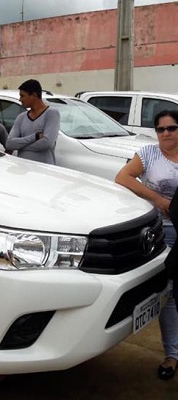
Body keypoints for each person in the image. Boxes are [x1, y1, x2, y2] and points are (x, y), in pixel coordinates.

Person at [116, 109, 178, 380]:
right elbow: (123, 177)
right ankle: (172, 354)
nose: (166, 133)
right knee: (169, 294)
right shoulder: (149, 153)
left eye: (172, 128)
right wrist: (160, 200)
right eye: (161, 129)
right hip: (161, 231)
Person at [6, 79, 60, 164]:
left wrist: (21, 146)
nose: (20, 99)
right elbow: (9, 144)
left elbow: (47, 143)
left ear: (33, 95)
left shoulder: (51, 114)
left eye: (22, 96)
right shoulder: (21, 117)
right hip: (23, 168)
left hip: (43, 168)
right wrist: (35, 137)